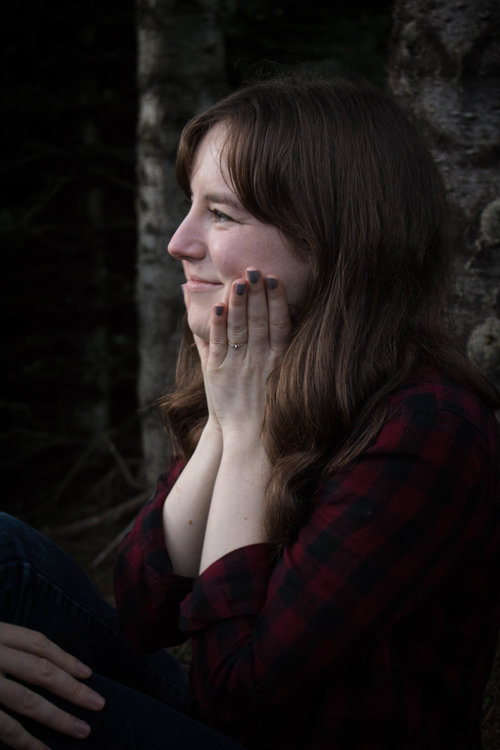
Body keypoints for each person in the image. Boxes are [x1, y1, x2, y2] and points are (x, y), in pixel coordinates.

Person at [1, 74, 499, 750]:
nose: (179, 241)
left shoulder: (426, 427)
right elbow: (144, 612)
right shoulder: (258, 373)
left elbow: (234, 694)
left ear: (330, 237)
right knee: (7, 550)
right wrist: (223, 426)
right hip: (221, 714)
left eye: (222, 213)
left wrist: (244, 436)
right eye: (190, 205)